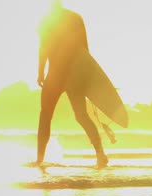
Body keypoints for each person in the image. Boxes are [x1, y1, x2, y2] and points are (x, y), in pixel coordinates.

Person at [36, 0, 108, 168]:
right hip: (73, 74)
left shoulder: (46, 20)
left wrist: (40, 71)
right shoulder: (75, 18)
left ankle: (40, 160)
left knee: (46, 116)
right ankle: (100, 155)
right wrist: (87, 75)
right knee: (81, 115)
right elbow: (85, 50)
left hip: (57, 74)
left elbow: (44, 47)